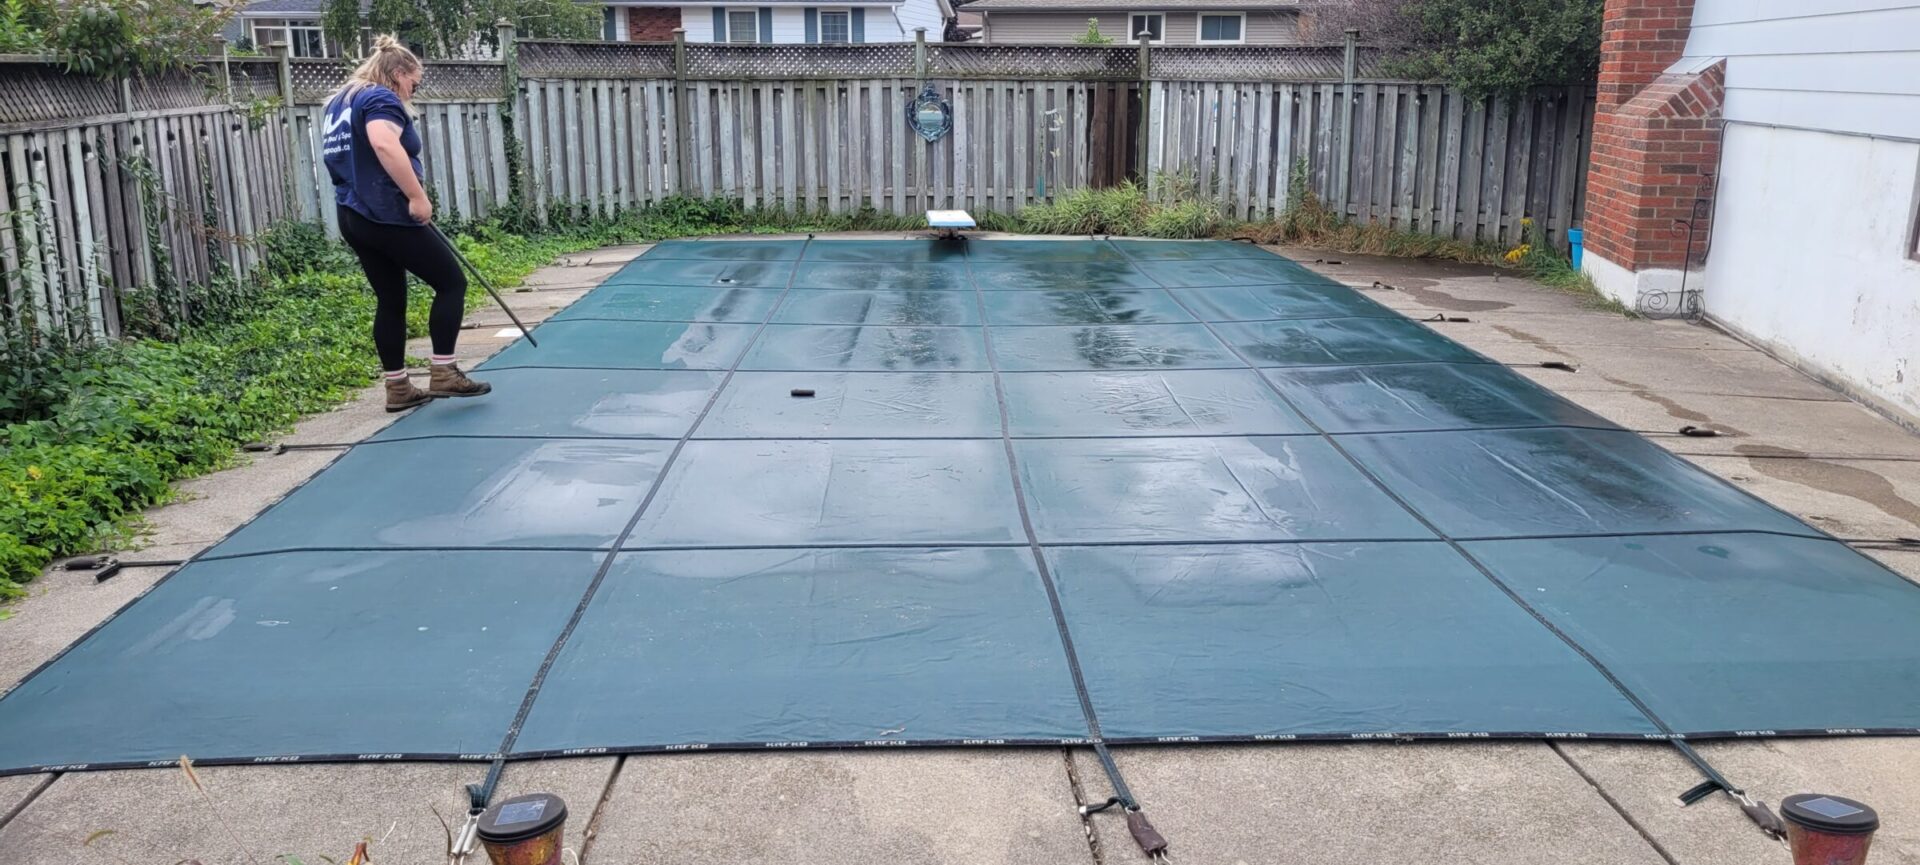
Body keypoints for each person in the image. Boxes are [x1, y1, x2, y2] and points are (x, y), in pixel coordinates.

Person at [321, 36, 491, 412]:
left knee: (391, 299)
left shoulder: (340, 103)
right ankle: (444, 372)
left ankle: (398, 388)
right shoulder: (381, 98)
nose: (415, 90)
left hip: (353, 216)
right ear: (398, 74)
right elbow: (384, 144)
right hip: (387, 213)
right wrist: (417, 196)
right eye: (415, 83)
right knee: (451, 282)